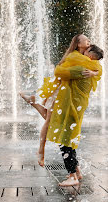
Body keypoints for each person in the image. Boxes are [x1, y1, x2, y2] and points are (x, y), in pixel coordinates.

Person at [20, 35, 101, 166]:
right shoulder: (73, 56)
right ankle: (41, 151)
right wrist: (90, 71)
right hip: (60, 91)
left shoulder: (87, 56)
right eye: (86, 40)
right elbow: (59, 71)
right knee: (49, 120)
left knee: (50, 118)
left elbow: (98, 67)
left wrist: (94, 73)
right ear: (78, 43)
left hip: (68, 93)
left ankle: (32, 102)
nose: (89, 41)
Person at [46, 44, 103, 187]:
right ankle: (77, 171)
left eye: (85, 50)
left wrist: (67, 57)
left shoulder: (81, 69)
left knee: (64, 140)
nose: (82, 52)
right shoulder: (93, 67)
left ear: (89, 55)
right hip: (76, 107)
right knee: (69, 139)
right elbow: (99, 70)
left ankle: (72, 176)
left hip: (71, 108)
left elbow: (59, 72)